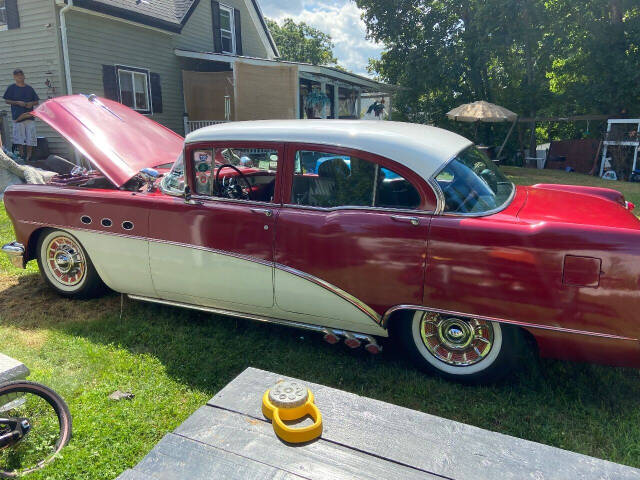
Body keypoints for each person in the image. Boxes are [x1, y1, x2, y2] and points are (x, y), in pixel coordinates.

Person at [3, 69, 39, 161]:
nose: (19, 77)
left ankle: (29, 156)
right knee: (19, 137)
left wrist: (31, 103)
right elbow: (7, 100)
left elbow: (36, 101)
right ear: (14, 77)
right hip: (17, 117)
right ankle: (22, 156)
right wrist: (17, 102)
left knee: (30, 137)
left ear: (24, 76)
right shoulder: (11, 88)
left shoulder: (29, 88)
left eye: (21, 74)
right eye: (17, 75)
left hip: (29, 116)